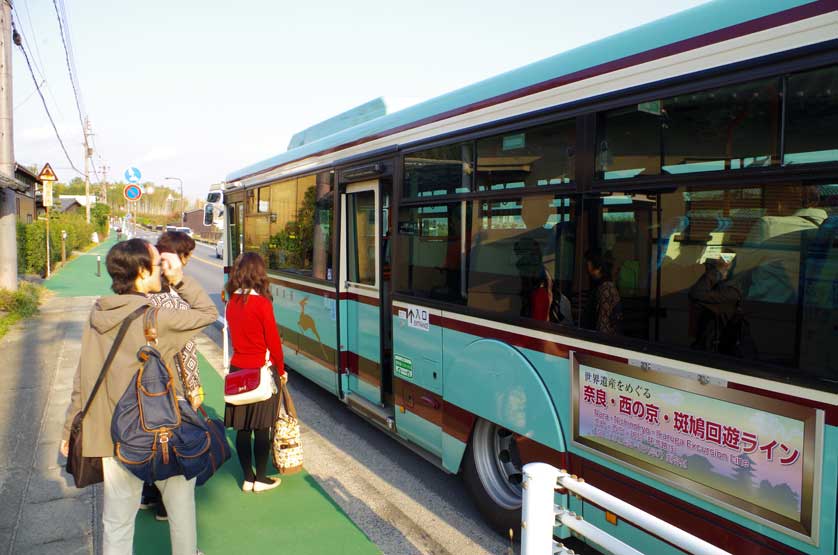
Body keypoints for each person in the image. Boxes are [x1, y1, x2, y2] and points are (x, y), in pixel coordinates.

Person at [60, 239, 217, 555]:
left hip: (112, 435)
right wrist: (180, 279)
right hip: (160, 432)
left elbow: (84, 377)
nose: (162, 268)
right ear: (142, 270)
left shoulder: (98, 313)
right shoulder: (157, 318)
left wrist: (69, 428)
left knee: (117, 521)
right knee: (180, 508)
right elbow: (208, 312)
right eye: (158, 264)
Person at [140, 231, 203, 521]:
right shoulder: (175, 300)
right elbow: (186, 350)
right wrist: (193, 386)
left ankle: (148, 494)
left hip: (141, 378)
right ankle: (167, 505)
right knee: (170, 440)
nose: (188, 261)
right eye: (186, 255)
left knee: (148, 435)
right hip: (170, 380)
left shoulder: (143, 290)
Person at [224, 252, 287, 493]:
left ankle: (247, 477)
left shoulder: (231, 303)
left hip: (238, 370)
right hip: (261, 370)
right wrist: (281, 371)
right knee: (261, 428)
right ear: (258, 273)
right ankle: (261, 478)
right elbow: (274, 343)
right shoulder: (261, 303)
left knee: (243, 428)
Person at [689, 255, 751, 357]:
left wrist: (718, 270)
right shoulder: (723, 287)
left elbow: (696, 293)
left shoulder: (731, 292)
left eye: (721, 261)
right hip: (713, 346)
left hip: (718, 352)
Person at [581, 249, 621, 335]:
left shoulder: (606, 288)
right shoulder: (600, 286)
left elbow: (604, 322)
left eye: (588, 264)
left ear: (598, 268)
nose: (586, 268)